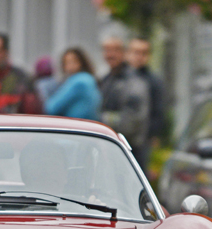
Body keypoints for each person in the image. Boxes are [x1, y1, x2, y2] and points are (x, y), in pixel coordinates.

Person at [99, 37, 150, 170]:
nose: (110, 54)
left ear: (124, 53)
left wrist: (101, 119)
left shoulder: (133, 81)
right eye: (107, 50)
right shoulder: (107, 79)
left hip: (130, 151)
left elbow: (130, 121)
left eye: (115, 50)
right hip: (111, 148)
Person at [127, 38, 166, 176]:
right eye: (136, 52)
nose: (140, 57)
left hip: (143, 139)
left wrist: (153, 135)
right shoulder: (120, 78)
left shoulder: (153, 82)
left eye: (144, 53)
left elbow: (158, 111)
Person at [45, 48, 100, 121]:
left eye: (73, 61)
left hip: (76, 125)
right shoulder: (90, 79)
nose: (69, 66)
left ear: (81, 62)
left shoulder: (79, 81)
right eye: (66, 62)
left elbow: (52, 107)